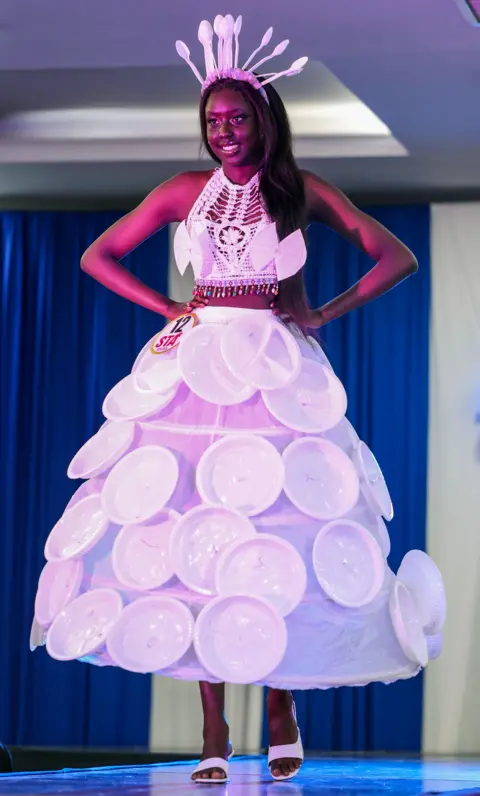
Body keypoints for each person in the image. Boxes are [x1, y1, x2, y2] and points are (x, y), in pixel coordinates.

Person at [31, 15, 445, 784]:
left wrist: (325, 311)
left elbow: (396, 255)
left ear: (265, 120)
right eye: (213, 121)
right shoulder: (183, 190)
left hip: (274, 368)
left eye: (238, 118)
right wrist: (168, 311)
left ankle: (282, 706)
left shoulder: (299, 189)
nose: (224, 132)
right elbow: (99, 254)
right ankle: (215, 724)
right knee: (197, 536)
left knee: (277, 531)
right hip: (194, 371)